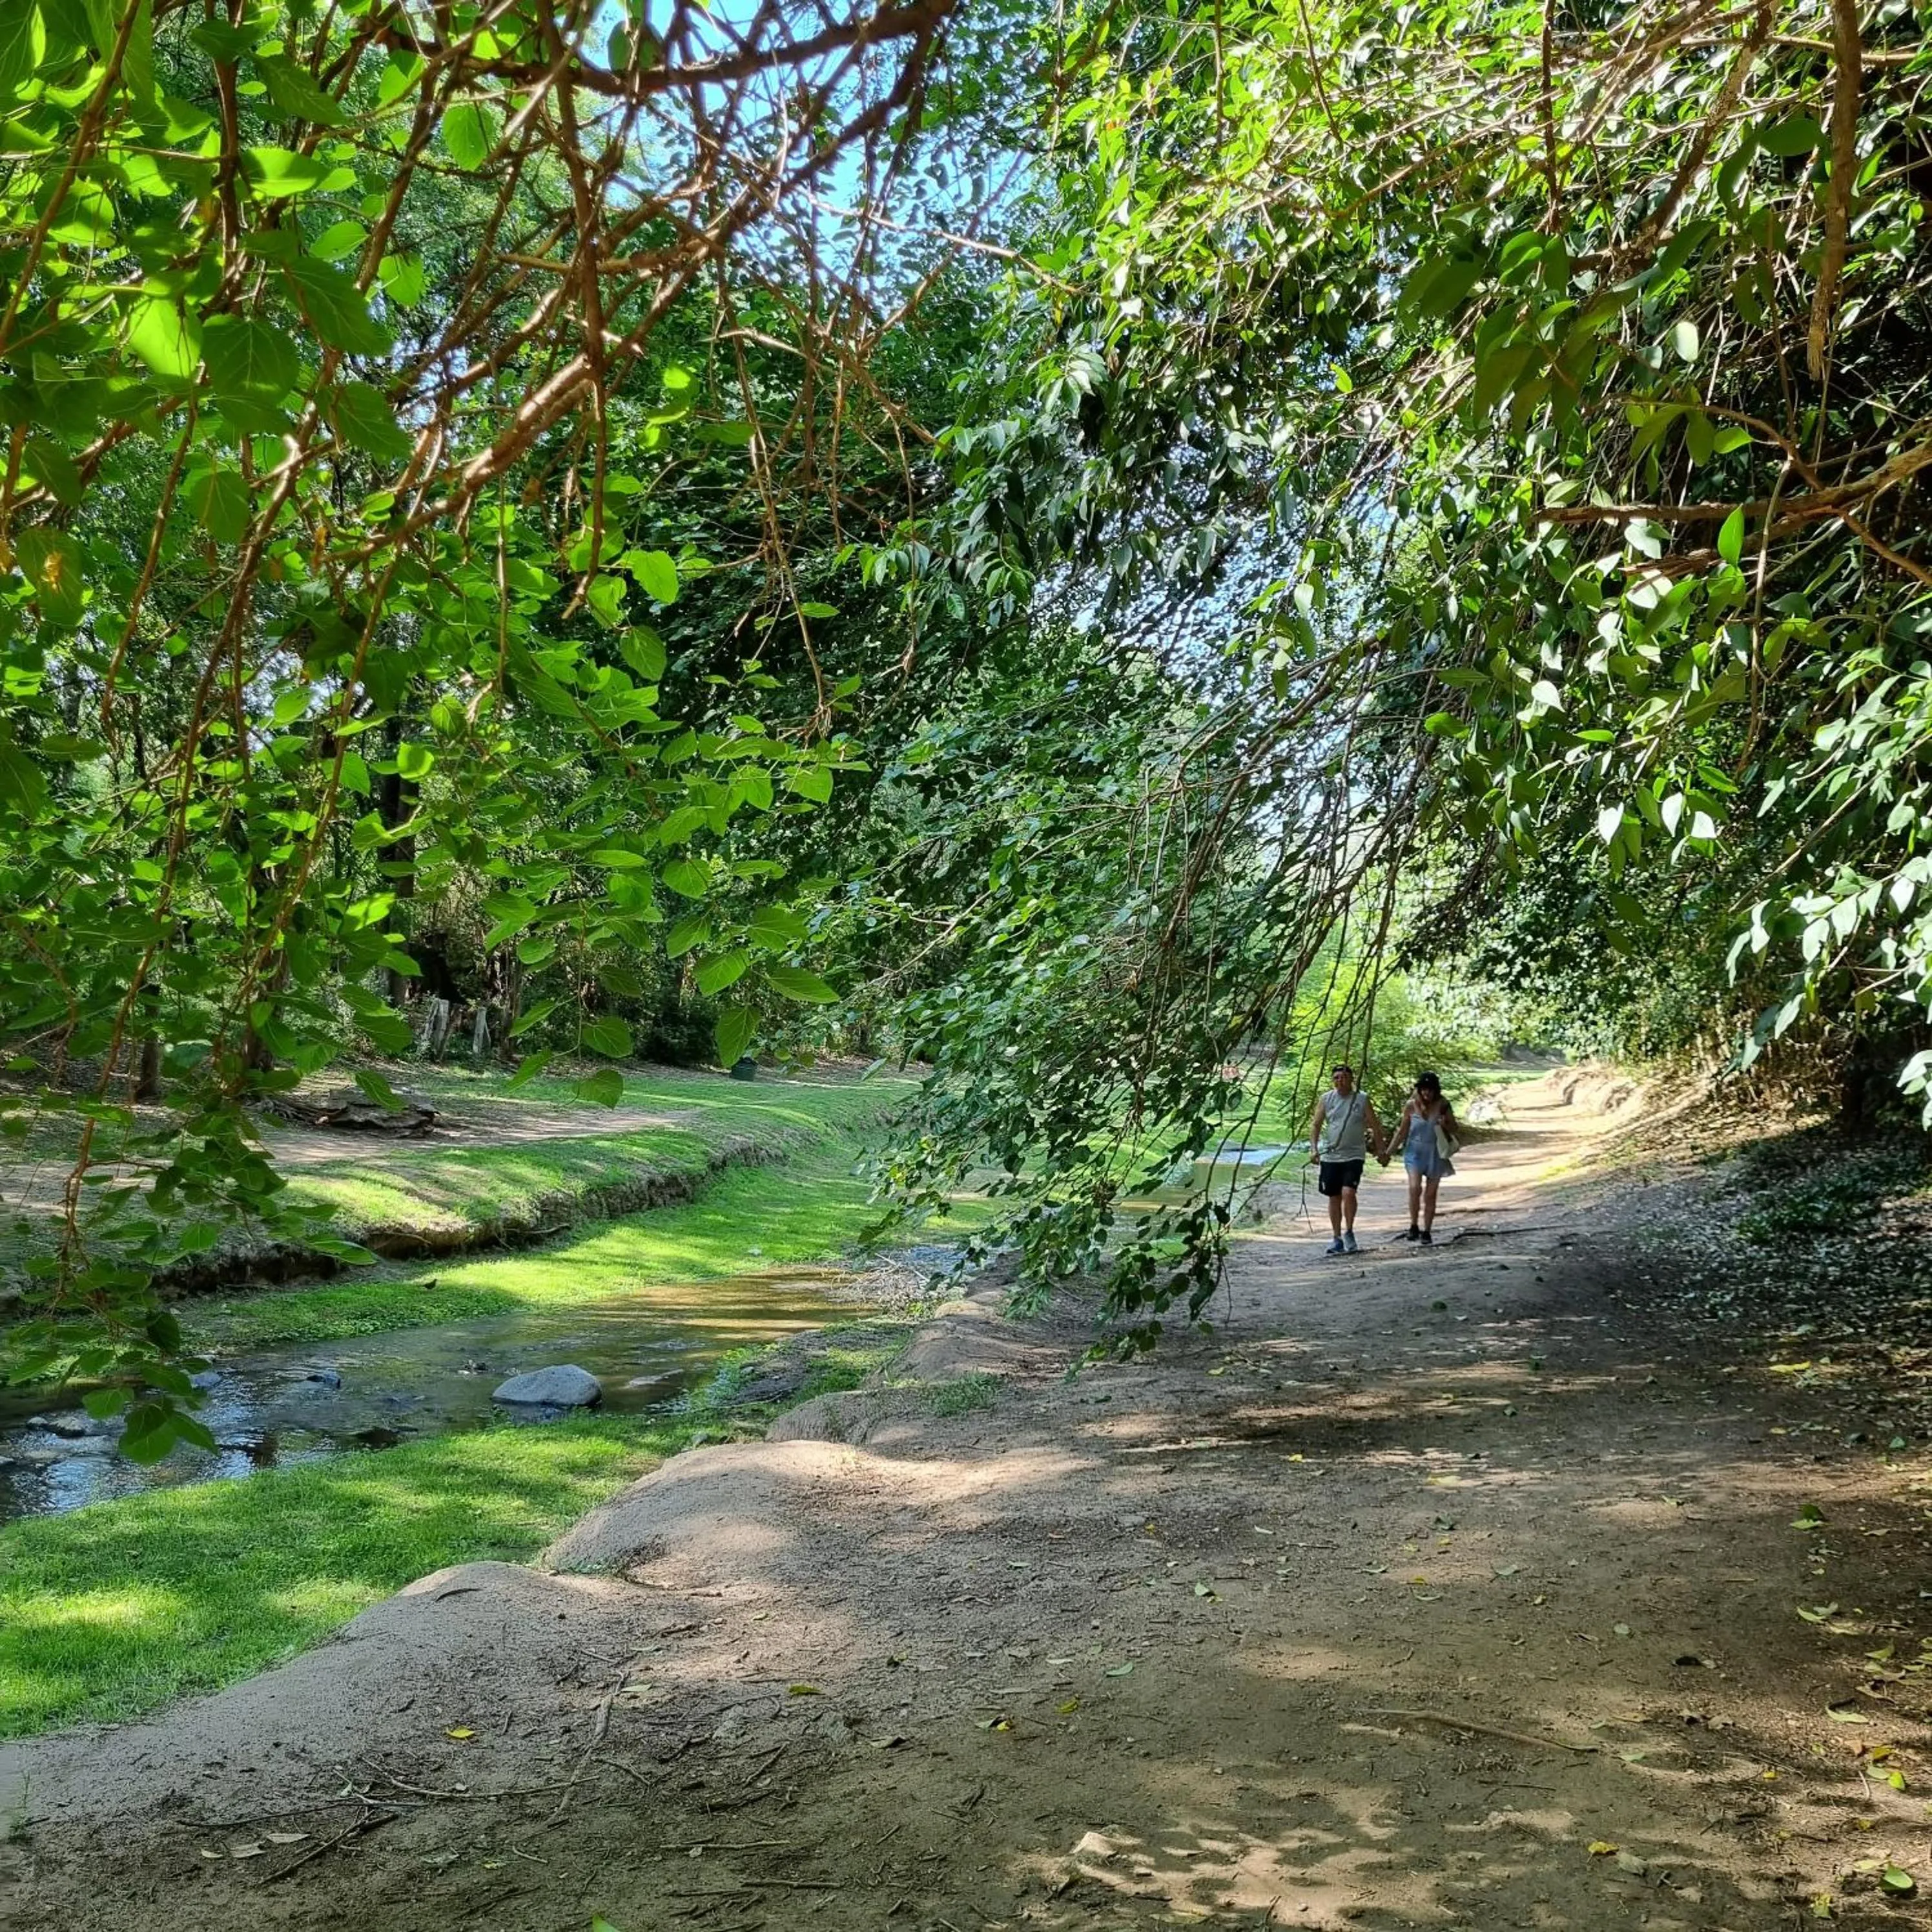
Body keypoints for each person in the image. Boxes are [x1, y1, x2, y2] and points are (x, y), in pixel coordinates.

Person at [1308, 1064, 1386, 1255]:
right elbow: (1316, 1125)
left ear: (1351, 1079)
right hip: (1331, 1155)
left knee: (1349, 1193)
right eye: (1336, 1078)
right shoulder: (1326, 1099)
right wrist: (1314, 1149)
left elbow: (1375, 1126)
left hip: (1354, 1155)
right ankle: (1337, 1238)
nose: (1339, 1081)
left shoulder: (1361, 1099)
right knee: (1334, 1197)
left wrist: (1381, 1150)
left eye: (1343, 1077)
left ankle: (1349, 1231)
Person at [1389, 1070, 1458, 1244]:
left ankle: (1427, 1230)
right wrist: (1388, 1152)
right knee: (1414, 1188)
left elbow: (1455, 1128)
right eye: (1423, 1089)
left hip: (1435, 1153)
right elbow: (1402, 1132)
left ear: (1436, 1090)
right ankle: (1413, 1226)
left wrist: (1445, 1125)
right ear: (1419, 1090)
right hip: (1415, 1152)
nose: (1426, 1093)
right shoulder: (1411, 1106)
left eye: (1430, 1089)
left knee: (1430, 1194)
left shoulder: (1443, 1105)